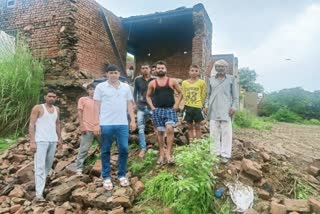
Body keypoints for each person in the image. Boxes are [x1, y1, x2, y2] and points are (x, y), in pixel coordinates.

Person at [93, 65, 136, 190]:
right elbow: (96, 106)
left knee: (124, 148)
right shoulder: (100, 87)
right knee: (106, 149)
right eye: (111, 73)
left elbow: (129, 105)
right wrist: (96, 123)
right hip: (106, 123)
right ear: (107, 74)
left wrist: (132, 120)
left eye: (115, 72)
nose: (113, 75)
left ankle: (121, 175)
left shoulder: (126, 87)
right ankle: (106, 176)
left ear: (119, 74)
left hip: (122, 123)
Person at [146, 60, 182, 165]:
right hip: (158, 110)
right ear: (155, 70)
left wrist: (177, 104)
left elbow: (180, 93)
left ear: (166, 69)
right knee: (160, 132)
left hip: (170, 109)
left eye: (162, 68)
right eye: (158, 68)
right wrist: (152, 107)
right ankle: (161, 153)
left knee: (170, 129)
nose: (160, 70)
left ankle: (168, 154)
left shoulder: (172, 81)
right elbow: (148, 96)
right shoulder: (152, 83)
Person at [29, 88, 62, 202]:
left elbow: (57, 124)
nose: (52, 98)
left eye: (54, 97)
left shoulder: (57, 109)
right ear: (45, 97)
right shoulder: (38, 108)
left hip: (52, 140)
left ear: (56, 98)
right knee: (39, 167)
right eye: (49, 96)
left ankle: (41, 188)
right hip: (40, 141)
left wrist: (60, 138)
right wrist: (32, 141)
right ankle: (39, 195)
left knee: (47, 167)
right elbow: (32, 124)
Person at [205, 59, 239, 163]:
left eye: (222, 67)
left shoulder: (231, 79)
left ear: (226, 68)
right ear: (215, 68)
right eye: (218, 66)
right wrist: (206, 105)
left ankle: (225, 155)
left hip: (226, 110)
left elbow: (235, 96)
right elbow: (208, 95)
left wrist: (234, 107)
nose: (220, 68)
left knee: (226, 133)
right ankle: (215, 153)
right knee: (214, 132)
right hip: (213, 109)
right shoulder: (211, 79)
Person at [75, 83, 99, 175]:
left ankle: (105, 166)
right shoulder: (83, 100)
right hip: (87, 127)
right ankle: (79, 168)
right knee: (84, 148)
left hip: (99, 128)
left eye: (94, 89)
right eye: (90, 89)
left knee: (105, 147)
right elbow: (80, 113)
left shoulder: (100, 100)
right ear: (87, 90)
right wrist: (82, 125)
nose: (92, 91)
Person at [133, 63, 156, 158]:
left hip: (152, 106)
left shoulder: (155, 79)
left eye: (146, 68)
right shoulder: (137, 80)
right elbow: (135, 93)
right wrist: (135, 104)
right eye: (143, 68)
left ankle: (158, 146)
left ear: (150, 69)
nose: (145, 70)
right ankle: (143, 148)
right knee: (141, 128)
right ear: (141, 70)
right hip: (141, 107)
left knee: (157, 127)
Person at [181, 65, 206, 142]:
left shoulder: (202, 82)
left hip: (197, 107)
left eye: (196, 71)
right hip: (188, 106)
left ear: (198, 72)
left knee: (198, 126)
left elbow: (203, 94)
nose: (194, 72)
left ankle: (198, 143)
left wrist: (201, 105)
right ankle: (191, 143)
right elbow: (184, 94)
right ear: (189, 72)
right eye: (192, 70)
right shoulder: (184, 83)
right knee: (189, 126)